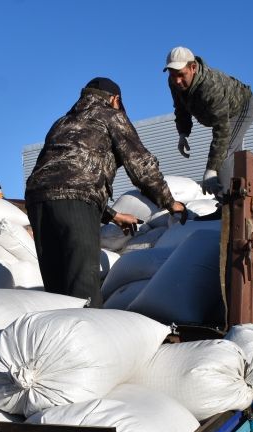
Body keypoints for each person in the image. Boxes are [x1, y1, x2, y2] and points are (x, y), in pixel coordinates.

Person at [25, 77, 187, 306]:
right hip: (76, 200)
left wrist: (112, 216)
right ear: (115, 100)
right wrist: (170, 202)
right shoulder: (111, 115)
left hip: (37, 199)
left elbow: (64, 176)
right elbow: (140, 163)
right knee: (83, 288)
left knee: (56, 289)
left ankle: (57, 338)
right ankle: (90, 337)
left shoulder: (62, 123)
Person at [165, 46, 253, 195]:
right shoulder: (173, 82)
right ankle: (235, 201)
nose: (177, 80)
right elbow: (180, 108)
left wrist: (211, 169)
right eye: (172, 74)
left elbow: (221, 130)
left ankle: (225, 206)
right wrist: (183, 133)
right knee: (233, 158)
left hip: (241, 108)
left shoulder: (210, 87)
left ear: (193, 67)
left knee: (223, 155)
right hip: (225, 113)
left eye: (181, 74)